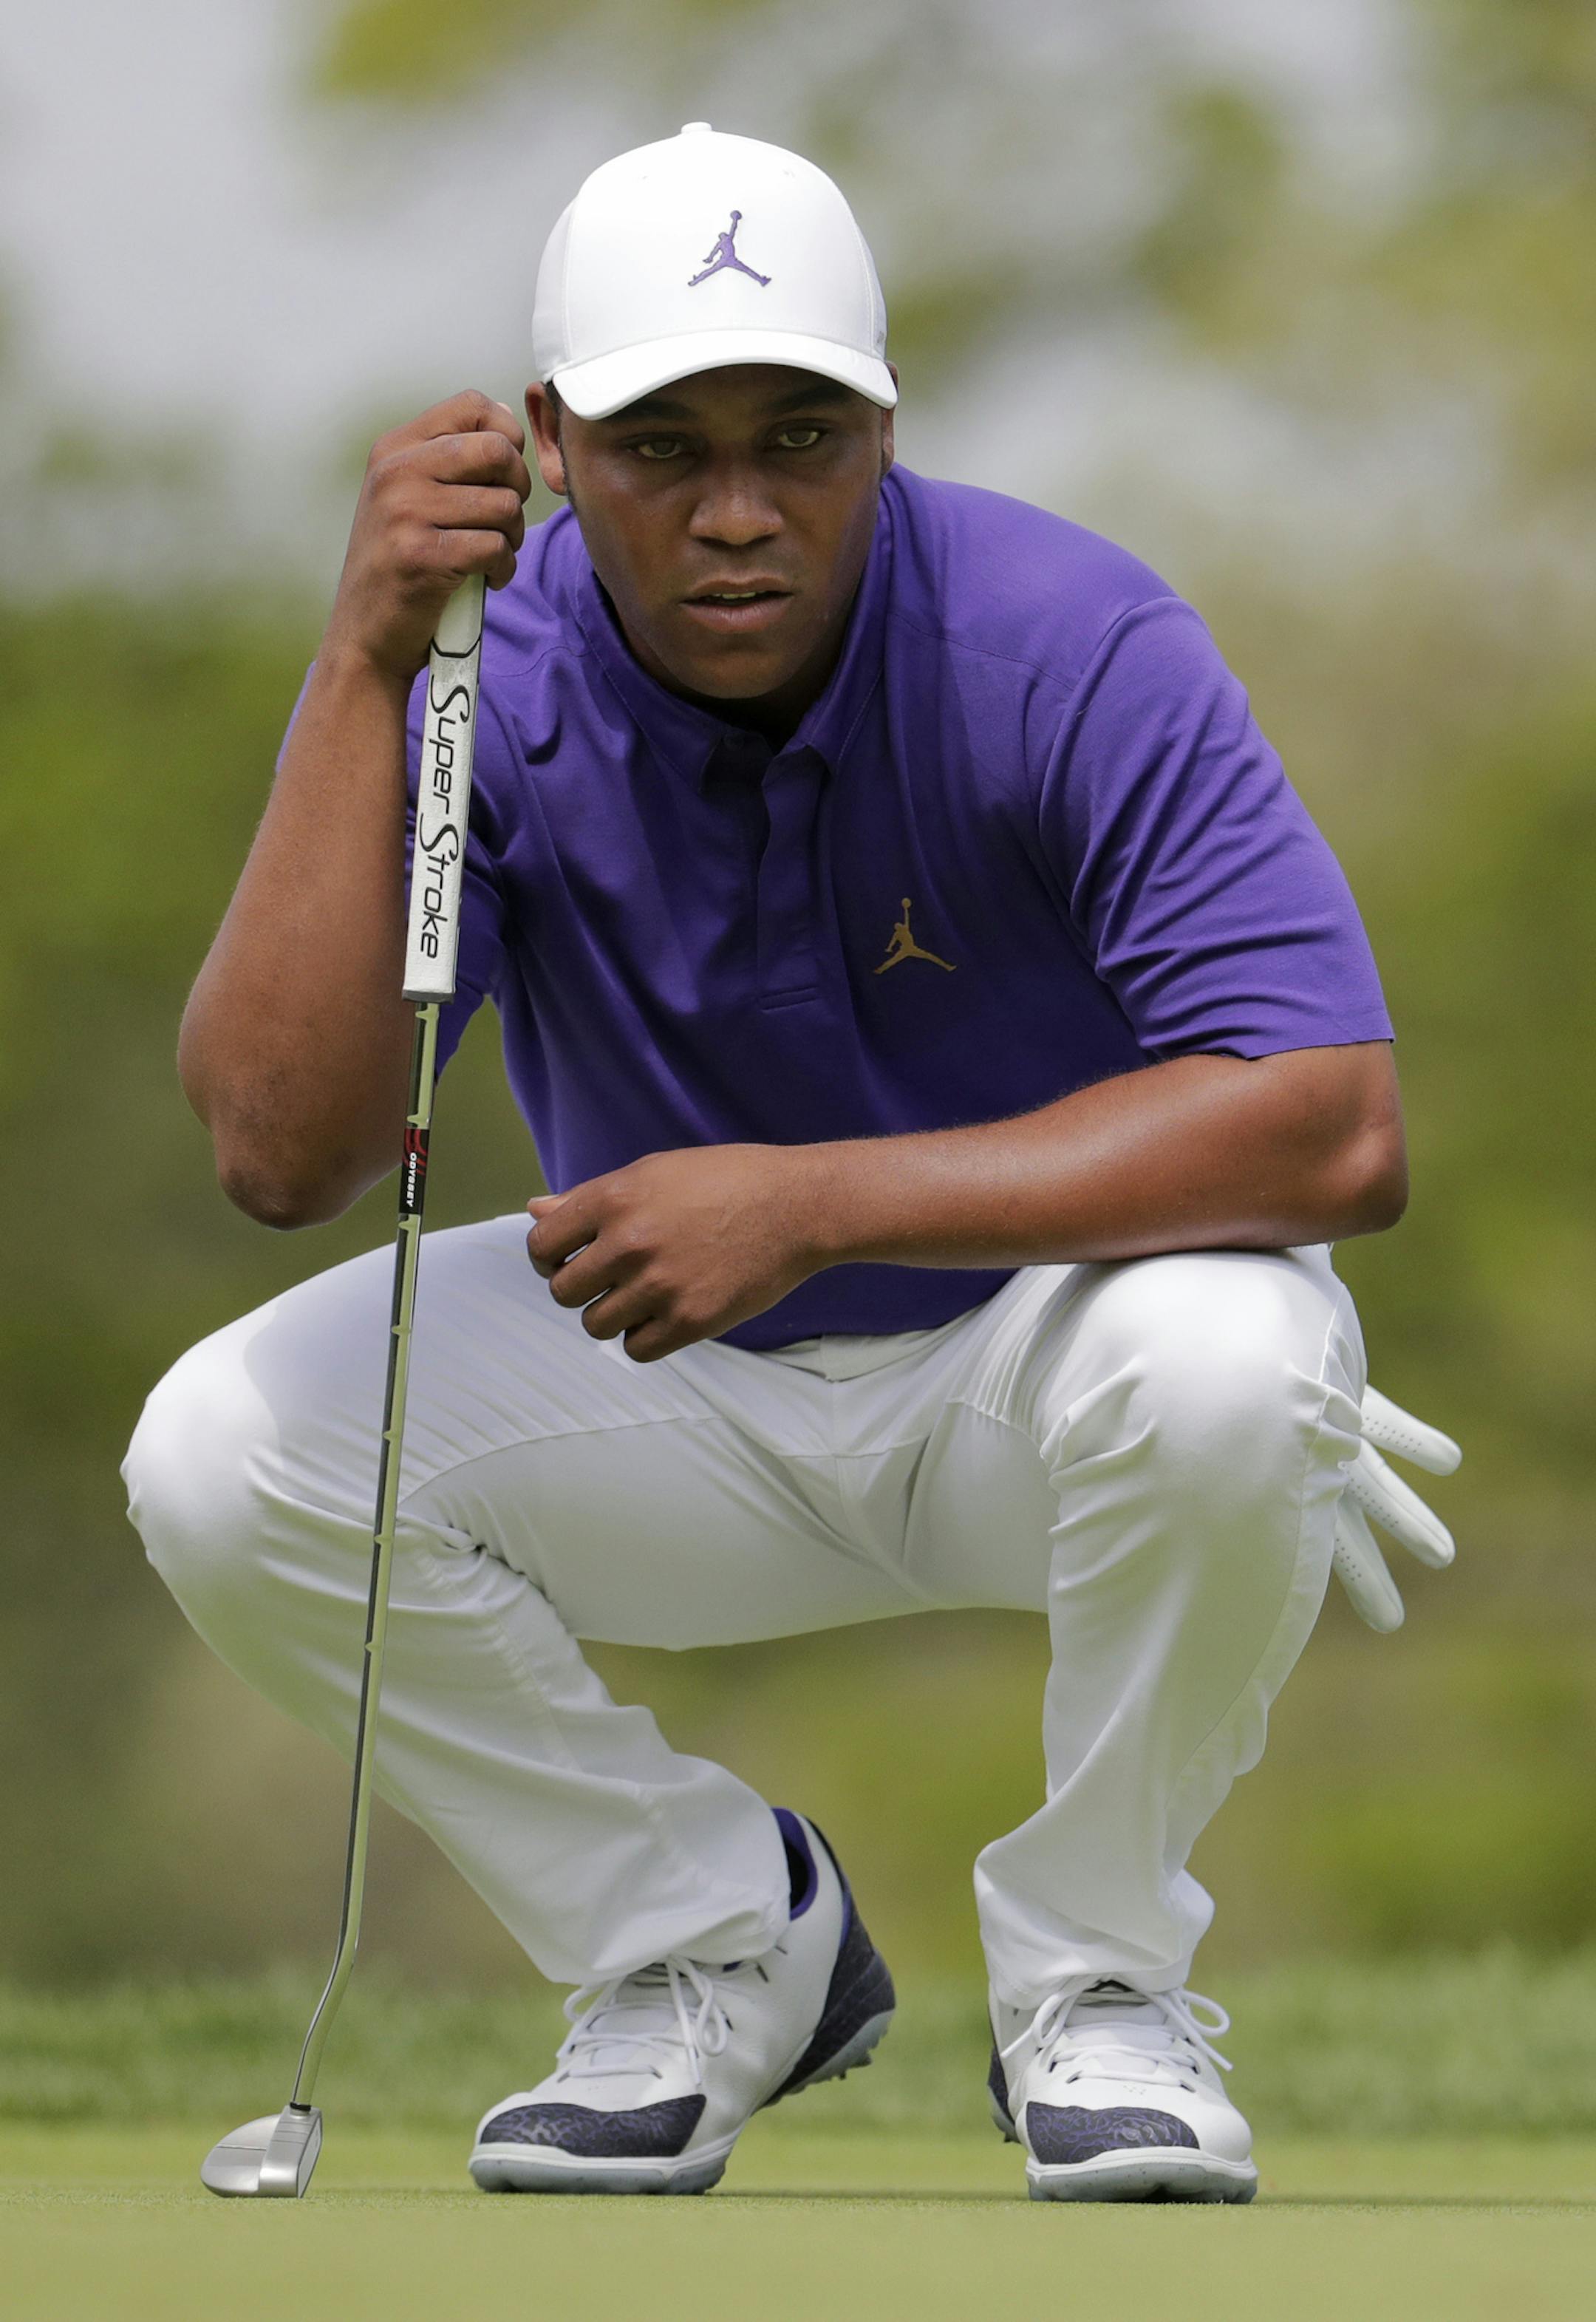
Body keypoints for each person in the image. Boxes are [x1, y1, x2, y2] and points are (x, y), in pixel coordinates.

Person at [123, 123, 1460, 2204]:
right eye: (664, 448)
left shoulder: (1066, 639)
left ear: (884, 428)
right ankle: (710, 1943)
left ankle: (1100, 1988)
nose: (737, 510)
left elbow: (1335, 1122)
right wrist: (363, 661)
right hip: (667, 1391)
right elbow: (278, 1151)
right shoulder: (483, 677)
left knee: (1234, 1359)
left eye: (800, 439)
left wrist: (815, 1197)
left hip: (1050, 1382)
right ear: (552, 444)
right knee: (224, 1455)